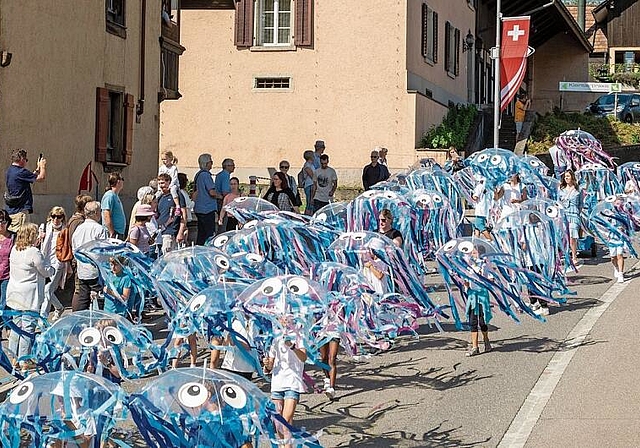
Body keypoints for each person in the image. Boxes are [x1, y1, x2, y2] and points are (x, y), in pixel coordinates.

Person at [6, 223, 55, 373]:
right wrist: (51, 268)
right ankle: (24, 360)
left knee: (16, 327)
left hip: (14, 292)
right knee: (27, 328)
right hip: (29, 296)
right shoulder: (34, 252)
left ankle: (13, 358)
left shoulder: (15, 249)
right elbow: (45, 271)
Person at [263, 332, 307, 434]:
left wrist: (292, 347)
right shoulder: (275, 338)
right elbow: (270, 366)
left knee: (286, 421)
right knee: (278, 424)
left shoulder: (299, 336)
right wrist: (266, 364)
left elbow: (304, 357)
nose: (284, 321)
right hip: (277, 384)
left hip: (293, 383)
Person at [71, 201, 108, 312]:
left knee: (83, 298)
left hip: (82, 268)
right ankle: (102, 322)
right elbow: (103, 251)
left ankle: (79, 322)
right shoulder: (99, 229)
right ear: (96, 213)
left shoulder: (79, 229)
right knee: (101, 299)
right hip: (96, 270)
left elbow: (74, 249)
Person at [4, 148, 47, 233]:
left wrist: (37, 170)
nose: (26, 162)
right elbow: (41, 178)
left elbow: (29, 177)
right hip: (20, 211)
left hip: (12, 210)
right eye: (26, 160)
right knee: (22, 236)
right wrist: (43, 166)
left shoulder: (10, 171)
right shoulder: (21, 172)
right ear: (21, 159)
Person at [38, 206, 67, 321]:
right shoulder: (45, 227)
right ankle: (59, 307)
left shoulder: (65, 230)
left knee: (47, 290)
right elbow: (37, 243)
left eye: (59, 217)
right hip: (44, 262)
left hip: (58, 263)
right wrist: (40, 236)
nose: (56, 219)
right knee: (46, 290)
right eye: (53, 216)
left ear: (62, 218)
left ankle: (43, 318)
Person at [464, 246, 493, 357]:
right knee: (472, 321)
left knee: (482, 320)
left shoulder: (485, 265)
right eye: (472, 253)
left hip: (482, 296)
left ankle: (486, 341)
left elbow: (491, 279)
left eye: (475, 253)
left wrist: (484, 278)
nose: (473, 255)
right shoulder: (468, 267)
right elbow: (466, 282)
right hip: (472, 296)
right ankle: (475, 347)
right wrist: (465, 283)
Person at [157, 173, 187, 254]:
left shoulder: (177, 195)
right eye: (159, 183)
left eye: (163, 183)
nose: (161, 185)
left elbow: (184, 215)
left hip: (170, 232)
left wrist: (181, 232)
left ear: (169, 182)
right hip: (160, 233)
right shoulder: (160, 197)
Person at [193, 153, 218, 245]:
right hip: (207, 209)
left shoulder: (198, 175)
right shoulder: (206, 175)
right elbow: (211, 192)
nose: (212, 163)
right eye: (211, 162)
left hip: (199, 208)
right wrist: (220, 196)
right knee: (209, 234)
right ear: (207, 163)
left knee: (201, 233)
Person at [559, 170, 582, 267]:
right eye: (565, 177)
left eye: (568, 176)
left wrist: (578, 213)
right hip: (564, 214)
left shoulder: (578, 190)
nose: (566, 178)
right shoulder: (561, 189)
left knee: (573, 237)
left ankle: (574, 256)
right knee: (564, 236)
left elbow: (581, 203)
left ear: (572, 177)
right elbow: (558, 202)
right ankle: (565, 255)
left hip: (574, 214)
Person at [101, 172, 126, 239]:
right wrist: (111, 232)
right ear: (118, 181)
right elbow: (106, 215)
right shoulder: (109, 196)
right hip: (113, 233)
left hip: (118, 232)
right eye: (122, 179)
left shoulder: (115, 196)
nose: (123, 181)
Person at [158, 150, 183, 218]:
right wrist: (159, 187)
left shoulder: (173, 168)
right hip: (164, 184)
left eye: (165, 159)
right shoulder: (161, 168)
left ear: (170, 159)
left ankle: (177, 206)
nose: (164, 161)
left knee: (173, 190)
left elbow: (174, 178)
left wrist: (170, 186)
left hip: (173, 184)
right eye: (162, 159)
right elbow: (159, 177)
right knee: (158, 194)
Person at [0, 210, 14, 313]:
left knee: (4, 304)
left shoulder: (13, 237)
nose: (0, 224)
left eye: (3, 221)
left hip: (7, 276)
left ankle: (4, 326)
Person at [472, 176, 494, 241]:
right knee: (477, 228)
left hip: (480, 210)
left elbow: (475, 197)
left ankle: (491, 240)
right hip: (485, 210)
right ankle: (476, 244)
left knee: (480, 225)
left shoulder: (479, 187)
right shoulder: (488, 188)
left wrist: (472, 196)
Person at [300, 150, 316, 215]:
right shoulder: (307, 165)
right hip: (309, 185)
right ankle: (307, 217)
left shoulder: (311, 165)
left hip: (312, 185)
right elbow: (312, 175)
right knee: (310, 202)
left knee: (311, 203)